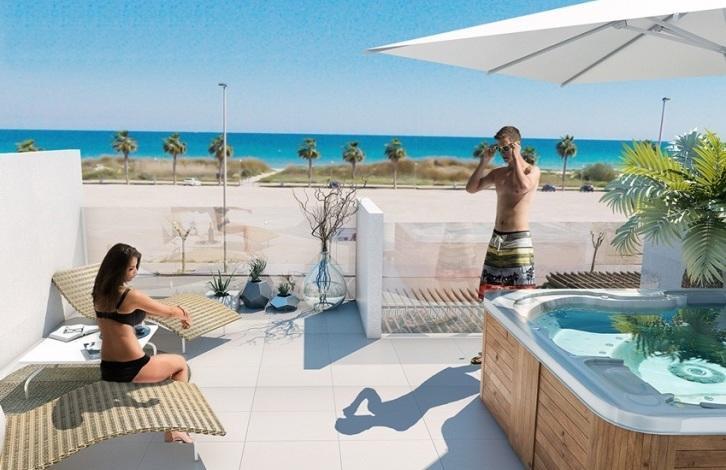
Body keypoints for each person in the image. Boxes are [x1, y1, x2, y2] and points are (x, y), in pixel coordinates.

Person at [92, 243, 194, 443]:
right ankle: (175, 428)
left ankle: (172, 421)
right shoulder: (130, 296)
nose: (135, 272)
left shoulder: (99, 292)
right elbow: (168, 312)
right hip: (132, 368)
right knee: (180, 364)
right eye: (131, 268)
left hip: (108, 368)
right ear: (117, 269)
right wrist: (183, 312)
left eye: (136, 267)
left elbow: (124, 318)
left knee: (166, 363)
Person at [466, 126, 540, 365]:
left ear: (517, 145)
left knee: (520, 299)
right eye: (501, 149)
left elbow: (521, 187)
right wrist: (484, 162)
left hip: (518, 242)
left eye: (507, 148)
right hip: (497, 240)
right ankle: (489, 349)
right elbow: (471, 188)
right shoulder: (498, 173)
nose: (504, 153)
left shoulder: (531, 171)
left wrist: (516, 157)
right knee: (491, 298)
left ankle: (521, 350)